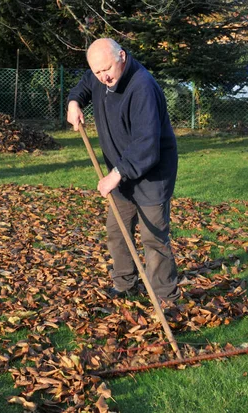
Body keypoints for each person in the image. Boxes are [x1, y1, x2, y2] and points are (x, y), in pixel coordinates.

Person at [67, 38, 179, 304]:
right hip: (121, 173)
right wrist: (74, 102)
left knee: (153, 239)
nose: (103, 76)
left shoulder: (142, 88)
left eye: (107, 69)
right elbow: (83, 86)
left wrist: (115, 174)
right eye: (97, 71)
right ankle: (126, 283)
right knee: (117, 231)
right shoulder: (98, 75)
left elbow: (146, 145)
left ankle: (165, 298)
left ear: (122, 57)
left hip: (152, 174)